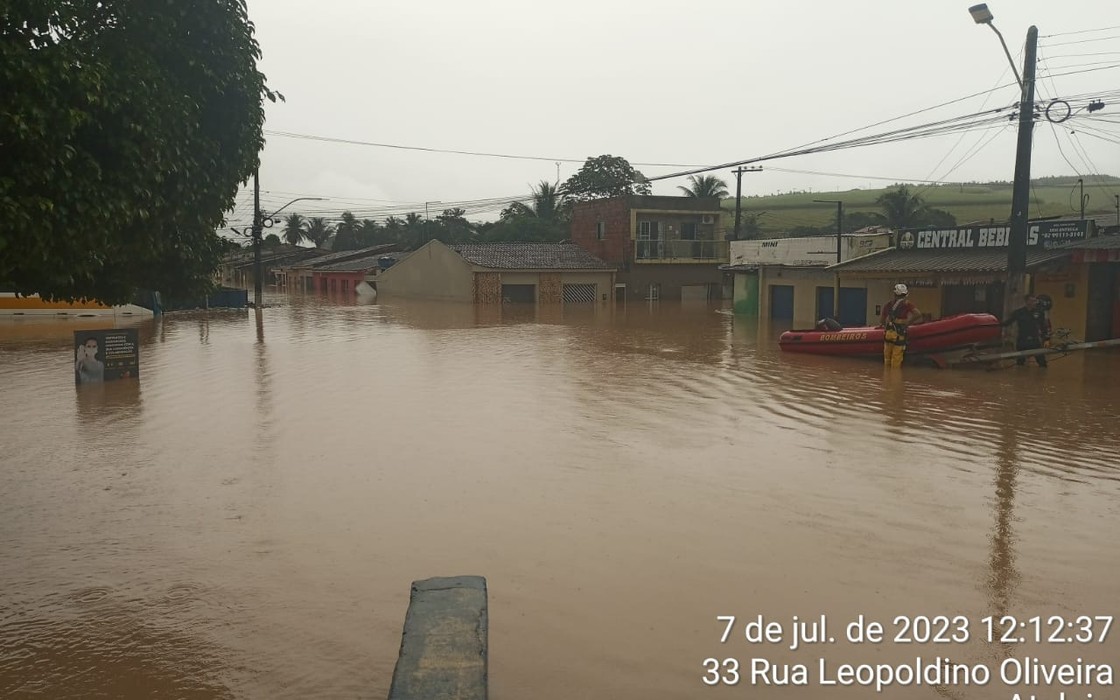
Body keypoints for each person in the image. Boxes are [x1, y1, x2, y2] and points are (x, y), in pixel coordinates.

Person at [1002, 294, 1052, 367]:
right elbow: (1008, 322)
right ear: (1027, 302)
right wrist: (996, 325)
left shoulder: (1039, 313)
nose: (1034, 303)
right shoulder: (1018, 312)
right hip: (1022, 340)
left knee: (1042, 363)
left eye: (1035, 301)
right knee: (1020, 364)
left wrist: (1046, 339)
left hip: (1034, 340)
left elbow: (1043, 326)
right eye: (1032, 301)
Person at [880, 283, 922, 368]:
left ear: (894, 294)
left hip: (888, 334)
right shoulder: (906, 304)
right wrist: (907, 322)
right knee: (896, 360)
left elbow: (882, 320)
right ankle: (895, 379)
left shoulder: (888, 305)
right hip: (899, 335)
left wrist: (887, 325)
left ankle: (887, 378)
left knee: (887, 359)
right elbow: (918, 314)